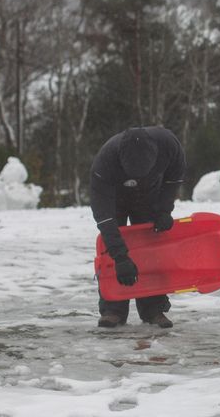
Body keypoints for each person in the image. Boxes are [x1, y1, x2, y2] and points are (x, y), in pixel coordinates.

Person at [90, 126, 186, 328]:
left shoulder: (168, 145)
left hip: (149, 196)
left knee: (151, 249)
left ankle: (153, 309)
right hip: (114, 199)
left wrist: (164, 210)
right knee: (112, 247)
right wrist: (120, 257)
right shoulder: (105, 161)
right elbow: (104, 218)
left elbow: (174, 177)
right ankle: (112, 309)